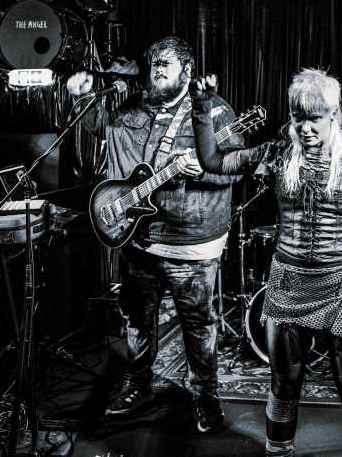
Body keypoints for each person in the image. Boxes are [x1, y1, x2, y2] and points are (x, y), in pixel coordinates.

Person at [189, 69, 342, 457]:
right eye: (297, 118)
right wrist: (202, 108)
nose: (304, 128)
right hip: (288, 283)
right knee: (283, 383)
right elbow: (212, 160)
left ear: (333, 115)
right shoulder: (277, 154)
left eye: (313, 118)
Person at [66, 36, 243, 433]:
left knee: (198, 325)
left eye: (166, 63)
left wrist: (206, 169)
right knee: (137, 319)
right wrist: (81, 98)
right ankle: (138, 383)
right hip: (138, 235)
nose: (157, 69)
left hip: (190, 239)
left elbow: (234, 167)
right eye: (153, 63)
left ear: (188, 71)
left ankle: (205, 396)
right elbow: (101, 128)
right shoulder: (134, 107)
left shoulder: (215, 111)